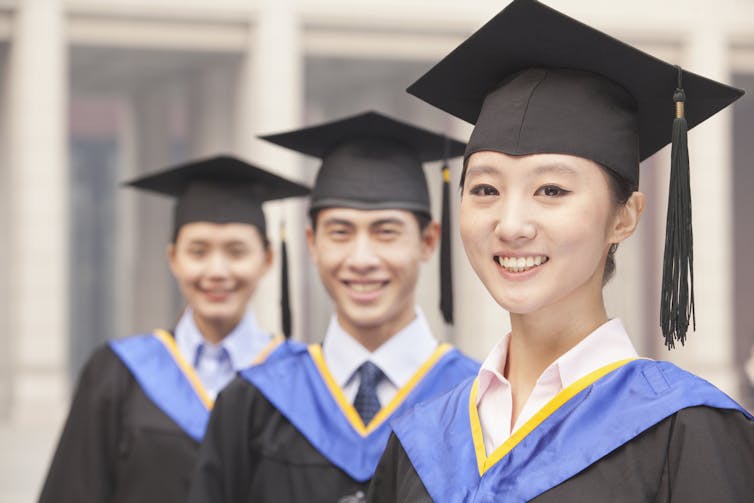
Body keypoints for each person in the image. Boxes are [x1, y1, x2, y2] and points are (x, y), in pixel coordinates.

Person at [368, 1, 754, 501]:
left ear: (625, 216)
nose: (511, 225)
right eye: (485, 190)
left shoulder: (685, 429)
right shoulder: (421, 437)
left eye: (551, 190)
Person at [187, 111, 479, 503]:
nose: (361, 259)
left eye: (385, 232)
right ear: (311, 242)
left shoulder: (478, 400)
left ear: (428, 241)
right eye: (340, 232)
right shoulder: (252, 403)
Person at [38, 155, 309, 503]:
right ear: (173, 258)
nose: (217, 271)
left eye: (236, 251)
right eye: (198, 251)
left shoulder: (300, 381)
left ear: (267, 259)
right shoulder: (118, 374)